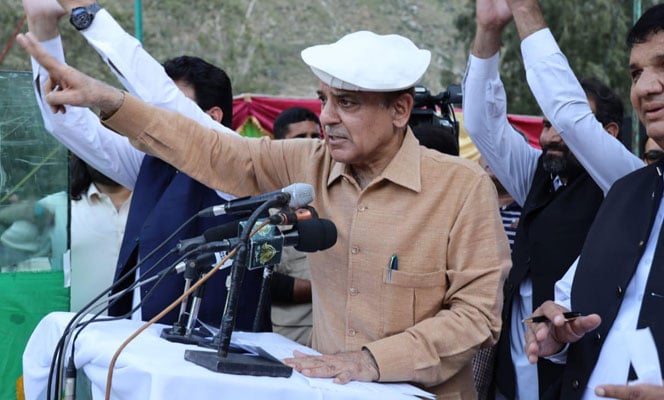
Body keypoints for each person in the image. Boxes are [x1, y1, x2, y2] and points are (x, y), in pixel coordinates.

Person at [19, 28, 512, 399]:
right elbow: (213, 150)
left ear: (401, 110)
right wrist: (113, 103)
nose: (327, 117)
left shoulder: (462, 189)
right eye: (324, 100)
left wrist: (370, 362)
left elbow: (476, 319)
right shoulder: (310, 161)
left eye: (348, 103)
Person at [23, 0, 266, 329]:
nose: (150, 121)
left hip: (209, 361)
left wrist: (86, 14)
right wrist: (43, 29)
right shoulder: (153, 164)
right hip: (137, 349)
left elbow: (161, 98)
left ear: (212, 119)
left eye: (161, 113)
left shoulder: (240, 160)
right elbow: (71, 127)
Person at [462, 0, 644, 398]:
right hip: (513, 369)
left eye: (559, 126)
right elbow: (480, 123)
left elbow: (569, 115)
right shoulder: (538, 175)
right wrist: (489, 29)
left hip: (576, 367)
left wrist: (526, 11)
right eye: (545, 124)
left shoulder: (625, 181)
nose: (552, 135)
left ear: (609, 133)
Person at [521, 0, 664, 398]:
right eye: (636, 72)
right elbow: (568, 311)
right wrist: (557, 332)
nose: (645, 87)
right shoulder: (625, 192)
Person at [269, 107, 321, 344]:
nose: (311, 145)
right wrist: (333, 289)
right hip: (292, 335)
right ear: (279, 145)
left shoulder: (337, 193)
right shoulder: (265, 205)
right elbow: (265, 282)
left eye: (316, 137)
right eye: (300, 139)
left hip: (338, 330)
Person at [68, 154, 131, 312]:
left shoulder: (163, 207)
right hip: (78, 333)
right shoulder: (59, 208)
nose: (105, 153)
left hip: (147, 333)